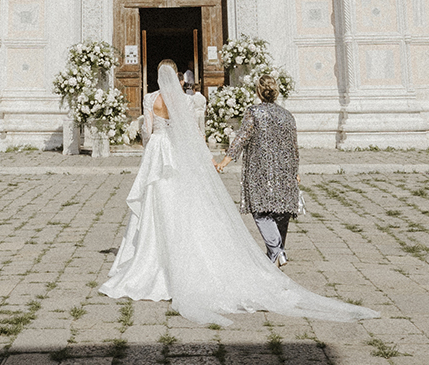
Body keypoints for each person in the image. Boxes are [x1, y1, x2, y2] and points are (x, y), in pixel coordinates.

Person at [99, 61, 376, 326]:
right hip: (182, 157)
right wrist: (209, 158)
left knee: (157, 205)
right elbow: (193, 133)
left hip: (160, 156)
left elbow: (149, 133)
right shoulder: (185, 102)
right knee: (189, 207)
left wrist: (163, 142)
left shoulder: (150, 100)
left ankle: (156, 258)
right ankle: (275, 249)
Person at [216, 75, 300, 265]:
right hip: (285, 169)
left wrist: (225, 161)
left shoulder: (254, 112)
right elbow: (293, 147)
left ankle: (277, 250)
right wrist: (295, 172)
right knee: (281, 211)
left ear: (259, 92)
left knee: (261, 211)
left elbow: (241, 138)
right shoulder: (287, 115)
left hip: (260, 169)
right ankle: (278, 253)